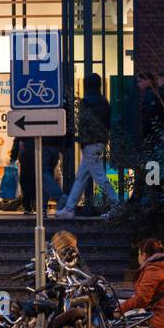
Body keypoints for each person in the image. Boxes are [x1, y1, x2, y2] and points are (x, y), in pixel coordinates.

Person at [55, 73, 120, 219]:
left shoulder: (87, 102)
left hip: (90, 144)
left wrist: (81, 141)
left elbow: (83, 124)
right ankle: (70, 208)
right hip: (99, 142)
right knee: (81, 177)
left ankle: (117, 205)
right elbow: (107, 123)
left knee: (99, 177)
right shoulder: (104, 101)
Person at [119, 238, 164, 328]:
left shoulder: (154, 268)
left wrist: (119, 309)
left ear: (144, 255)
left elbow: (141, 300)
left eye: (139, 254)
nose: (138, 258)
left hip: (160, 324)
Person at [8, 136, 37, 213]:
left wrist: (13, 157)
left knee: (26, 182)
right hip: (40, 156)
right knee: (37, 181)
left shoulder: (22, 130)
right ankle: (38, 205)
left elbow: (17, 140)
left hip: (26, 157)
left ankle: (28, 206)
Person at [137, 72, 164, 140]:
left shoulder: (149, 95)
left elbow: (148, 114)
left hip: (151, 132)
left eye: (140, 81)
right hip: (154, 131)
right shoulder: (153, 93)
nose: (138, 84)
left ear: (148, 81)